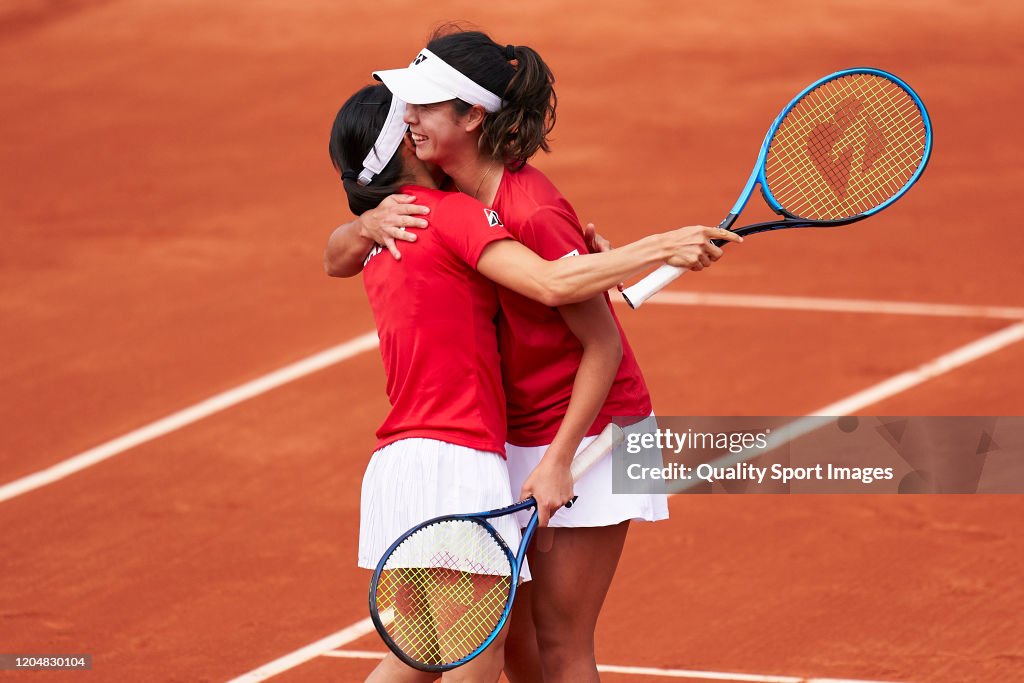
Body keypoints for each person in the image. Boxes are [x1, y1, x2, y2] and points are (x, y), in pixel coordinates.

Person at [325, 28, 742, 683]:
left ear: (472, 115)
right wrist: (362, 223)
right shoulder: (451, 202)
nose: (409, 119)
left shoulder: (531, 207)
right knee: (508, 641)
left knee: (558, 642)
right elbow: (336, 256)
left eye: (426, 107)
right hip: (511, 431)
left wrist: (558, 460)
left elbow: (602, 345)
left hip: (591, 431)